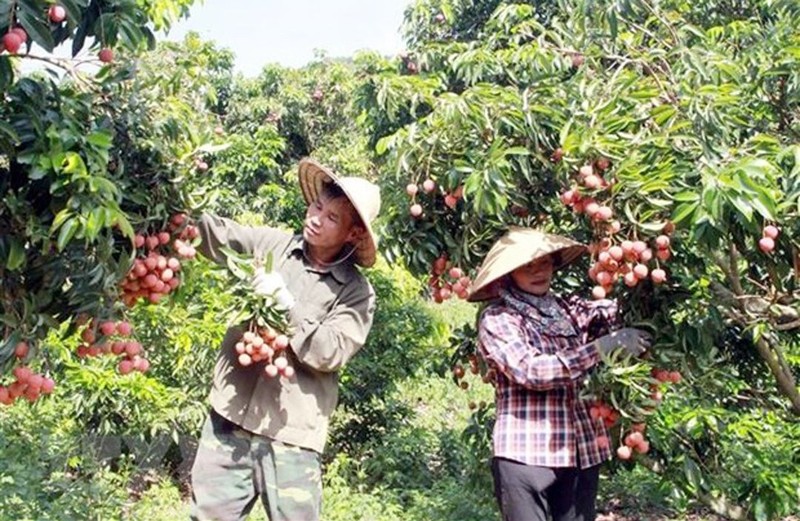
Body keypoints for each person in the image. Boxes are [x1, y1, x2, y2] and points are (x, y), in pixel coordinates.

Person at [189, 158, 381, 521]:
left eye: (331, 218)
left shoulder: (357, 293)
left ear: (354, 234)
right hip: (229, 419)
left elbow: (332, 352)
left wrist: (287, 306)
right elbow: (219, 235)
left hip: (290, 434)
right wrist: (171, 206)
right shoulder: (271, 245)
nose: (315, 218)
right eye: (317, 207)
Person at [467, 226, 651, 521]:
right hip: (525, 455)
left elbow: (612, 311)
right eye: (526, 266)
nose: (538, 271)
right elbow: (531, 370)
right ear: (509, 273)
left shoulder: (567, 308)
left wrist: (644, 275)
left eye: (543, 262)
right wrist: (601, 348)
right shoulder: (499, 318)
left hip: (579, 452)